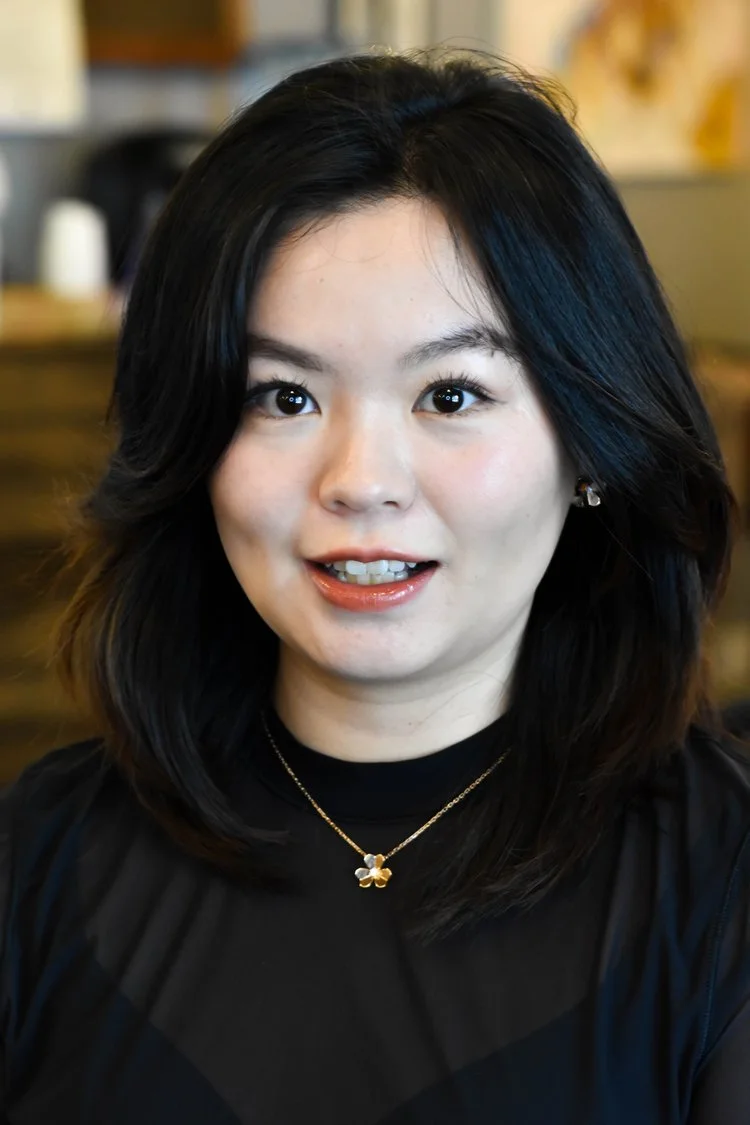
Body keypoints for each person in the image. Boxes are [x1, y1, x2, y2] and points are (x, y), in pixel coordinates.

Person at [1, 49, 748, 1125]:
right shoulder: (37, 858)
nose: (360, 482)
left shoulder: (721, 895)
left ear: (590, 441)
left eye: (450, 393)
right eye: (283, 398)